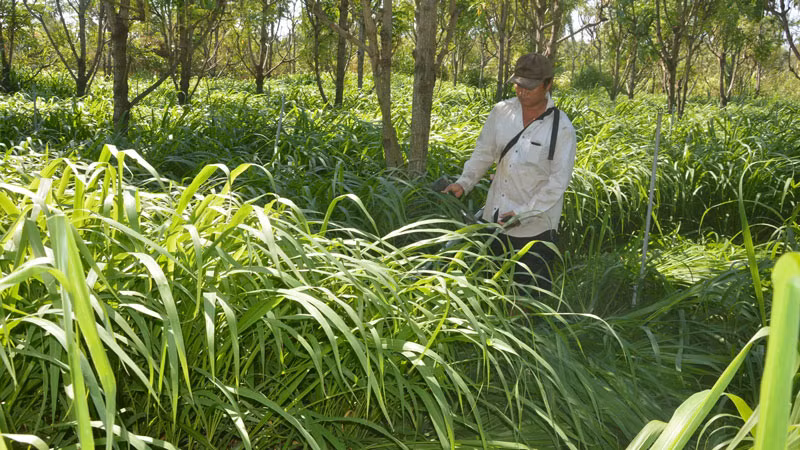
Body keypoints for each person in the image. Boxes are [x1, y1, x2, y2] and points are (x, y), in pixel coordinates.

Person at [442, 53, 577, 294]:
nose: (522, 92)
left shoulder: (562, 128)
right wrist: (464, 183)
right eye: (518, 85)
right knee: (490, 285)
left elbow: (557, 183)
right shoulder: (501, 112)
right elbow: (484, 152)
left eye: (530, 87)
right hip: (495, 216)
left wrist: (522, 213)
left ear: (548, 85)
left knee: (526, 294)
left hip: (534, 226)